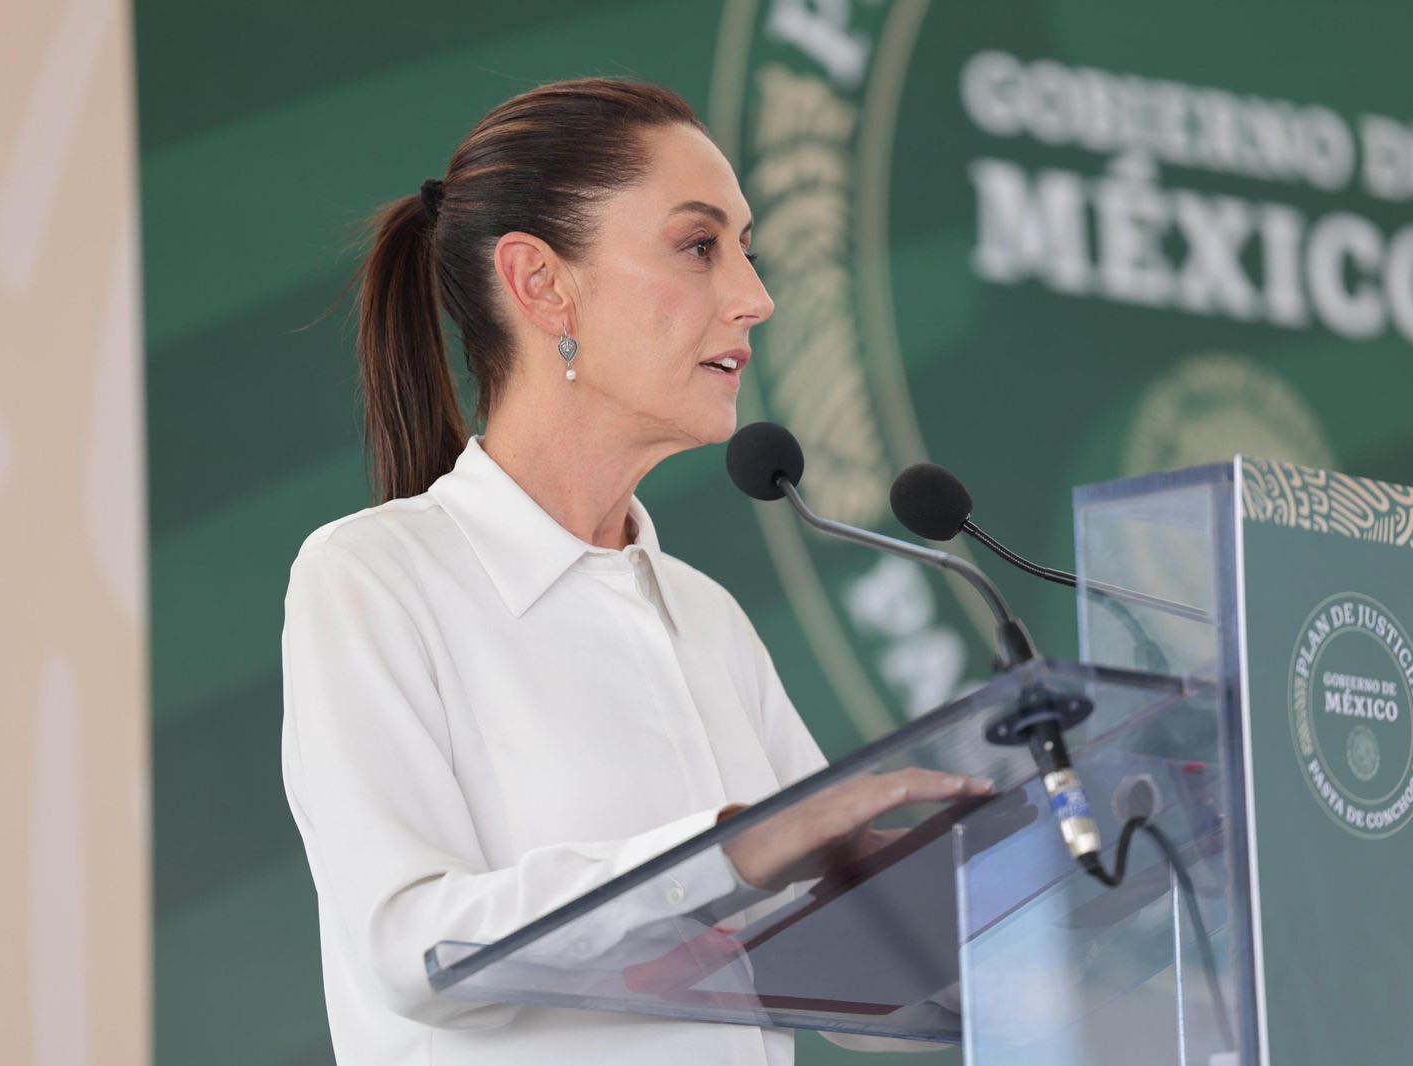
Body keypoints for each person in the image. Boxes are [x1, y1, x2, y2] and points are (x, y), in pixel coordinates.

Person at [279, 76, 987, 1066]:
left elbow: (843, 983)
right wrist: (724, 851)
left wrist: (1004, 890)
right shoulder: (373, 576)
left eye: (748, 250)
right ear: (539, 281)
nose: (755, 296)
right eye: (700, 246)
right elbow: (409, 950)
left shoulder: (707, 616)